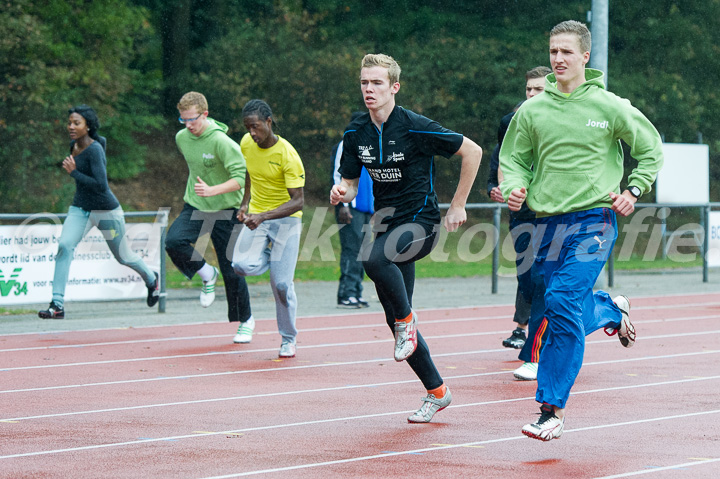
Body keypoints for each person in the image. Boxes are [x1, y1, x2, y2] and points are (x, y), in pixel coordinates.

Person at [500, 20, 663, 441]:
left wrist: (634, 189)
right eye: (553, 51)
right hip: (546, 222)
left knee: (559, 299)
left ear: (585, 57)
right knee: (559, 305)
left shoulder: (610, 106)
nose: (558, 59)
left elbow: (650, 150)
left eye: (566, 52)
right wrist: (515, 186)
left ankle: (551, 409)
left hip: (594, 219)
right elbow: (513, 159)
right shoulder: (532, 110)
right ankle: (610, 309)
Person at [330, 54, 482, 423]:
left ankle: (407, 323)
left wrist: (458, 205)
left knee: (372, 260)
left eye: (377, 83)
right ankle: (437, 391)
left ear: (394, 87)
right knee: (395, 320)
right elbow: (350, 181)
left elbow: (472, 151)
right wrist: (342, 192)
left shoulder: (414, 126)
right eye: (365, 83)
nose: (369, 89)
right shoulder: (356, 133)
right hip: (386, 225)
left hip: (421, 223)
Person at [38, 105, 159, 319]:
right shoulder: (73, 145)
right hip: (80, 209)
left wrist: (74, 173)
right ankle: (57, 305)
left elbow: (101, 185)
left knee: (123, 256)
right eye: (70, 123)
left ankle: (151, 279)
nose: (71, 127)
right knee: (65, 246)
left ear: (88, 126)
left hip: (106, 213)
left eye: (77, 123)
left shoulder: (94, 150)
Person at [165, 92, 254, 343]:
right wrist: (204, 192)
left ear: (205, 114)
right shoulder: (182, 138)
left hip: (227, 210)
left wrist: (213, 190)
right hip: (197, 206)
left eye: (192, 119)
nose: (188, 125)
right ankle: (206, 273)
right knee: (173, 241)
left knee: (233, 268)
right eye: (183, 120)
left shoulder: (223, 143)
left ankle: (245, 321)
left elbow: (241, 179)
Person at [488, 66, 552, 381]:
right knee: (528, 282)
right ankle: (605, 309)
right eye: (528, 90)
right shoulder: (508, 123)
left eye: (538, 90)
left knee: (545, 282)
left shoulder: (562, 123)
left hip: (556, 213)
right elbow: (502, 159)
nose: (531, 95)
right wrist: (497, 185)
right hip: (521, 214)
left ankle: (533, 354)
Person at [232, 100, 305, 358]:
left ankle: (288, 339)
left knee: (282, 285)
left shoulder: (287, 154)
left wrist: (263, 216)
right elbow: (250, 173)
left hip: (286, 220)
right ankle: (275, 261)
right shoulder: (245, 144)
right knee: (239, 265)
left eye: (256, 126)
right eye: (247, 127)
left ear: (268, 122)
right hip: (257, 216)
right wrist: (245, 203)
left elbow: (298, 200)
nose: (252, 132)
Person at [332, 112, 374, 309]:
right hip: (350, 208)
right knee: (351, 250)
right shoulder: (346, 143)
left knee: (364, 252)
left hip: (366, 208)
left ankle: (356, 292)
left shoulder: (369, 146)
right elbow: (337, 175)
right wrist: (343, 205)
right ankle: (346, 293)